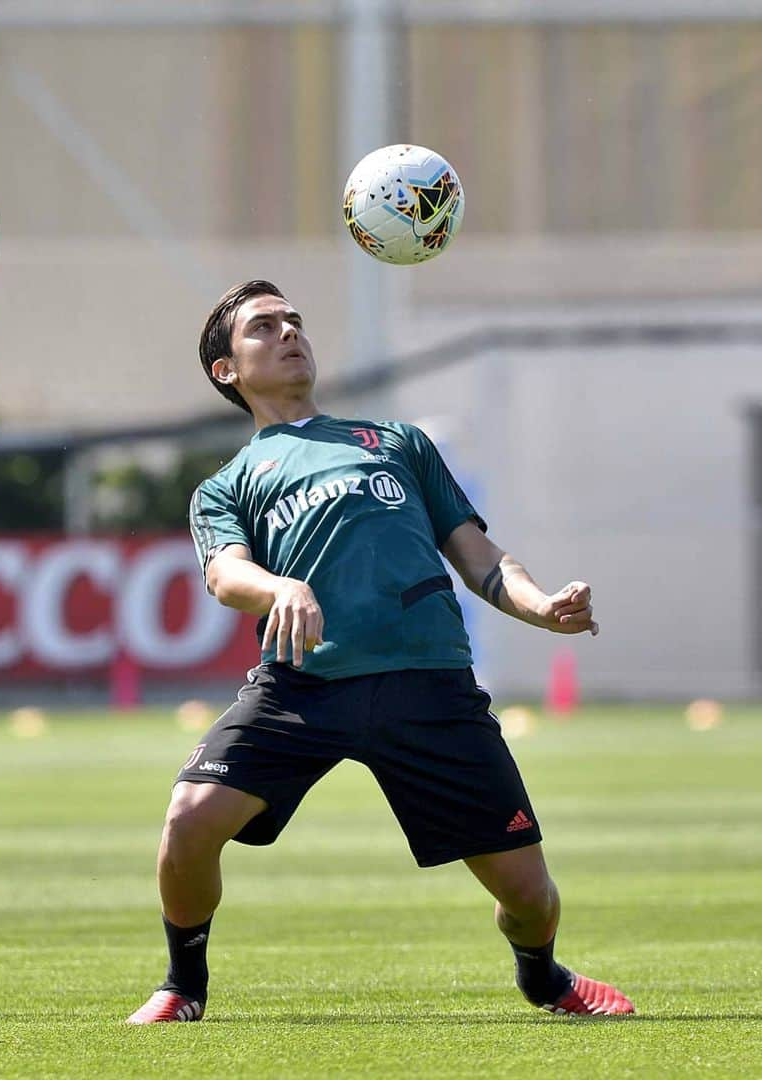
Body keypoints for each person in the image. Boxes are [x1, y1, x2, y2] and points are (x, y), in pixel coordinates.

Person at [126, 280, 633, 1024]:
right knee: (188, 822)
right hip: (303, 688)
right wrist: (279, 589)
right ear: (225, 371)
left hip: (429, 687)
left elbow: (482, 558)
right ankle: (183, 986)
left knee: (529, 897)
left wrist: (542, 607)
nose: (290, 331)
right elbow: (225, 574)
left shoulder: (399, 442)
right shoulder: (227, 485)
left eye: (294, 320)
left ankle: (542, 974)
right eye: (264, 327)